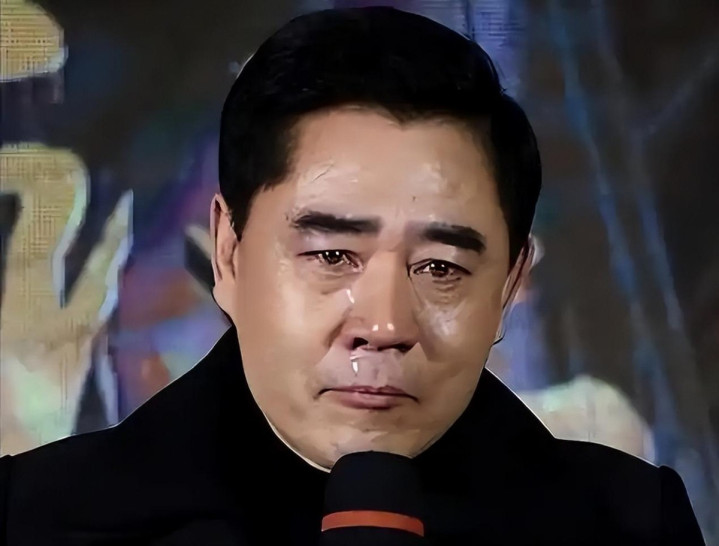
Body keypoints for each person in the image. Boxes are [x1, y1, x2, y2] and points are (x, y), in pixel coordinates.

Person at [0, 7, 706, 545]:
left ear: (509, 284)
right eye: (332, 256)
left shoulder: (625, 524)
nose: (384, 325)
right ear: (228, 254)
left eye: (440, 267)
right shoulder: (39, 518)